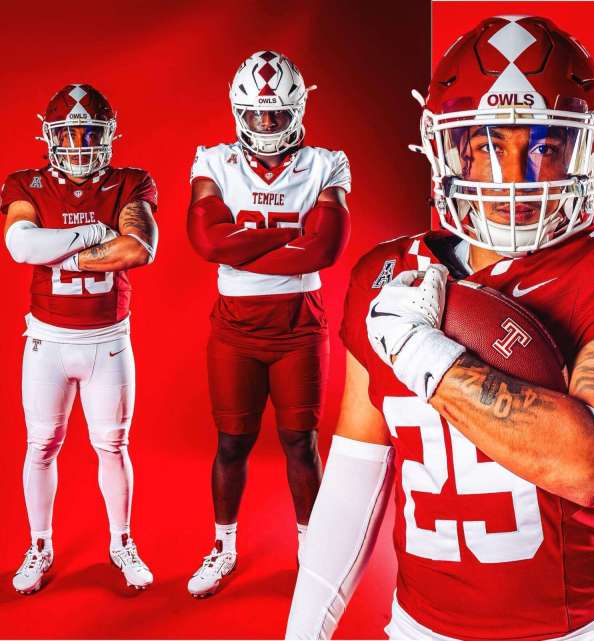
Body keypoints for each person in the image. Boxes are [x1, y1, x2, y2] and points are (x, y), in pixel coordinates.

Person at [286, 15, 594, 640]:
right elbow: (355, 474)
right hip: (420, 625)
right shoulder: (386, 270)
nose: (516, 176)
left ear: (586, 148)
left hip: (578, 630)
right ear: (445, 148)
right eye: (487, 145)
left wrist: (422, 352)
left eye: (544, 145)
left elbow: (593, 463)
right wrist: (303, 630)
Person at [185, 51, 350, 598]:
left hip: (300, 326)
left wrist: (242, 247)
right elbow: (207, 241)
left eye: (277, 115)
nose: (265, 126)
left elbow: (324, 249)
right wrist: (289, 237)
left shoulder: (327, 162)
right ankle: (224, 545)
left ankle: (311, 547)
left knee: (300, 442)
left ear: (298, 109)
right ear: (238, 111)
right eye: (256, 115)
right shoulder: (213, 160)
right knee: (232, 442)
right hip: (235, 327)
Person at [1, 83, 159, 593]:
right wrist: (95, 234)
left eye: (88, 131)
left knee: (112, 446)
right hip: (47, 341)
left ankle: (121, 541)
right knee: (41, 444)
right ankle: (40, 544)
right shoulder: (26, 183)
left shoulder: (131, 183)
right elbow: (22, 246)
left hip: (107, 340)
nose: (76, 142)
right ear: (48, 135)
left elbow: (137, 248)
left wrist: (59, 248)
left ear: (108, 135)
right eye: (67, 132)